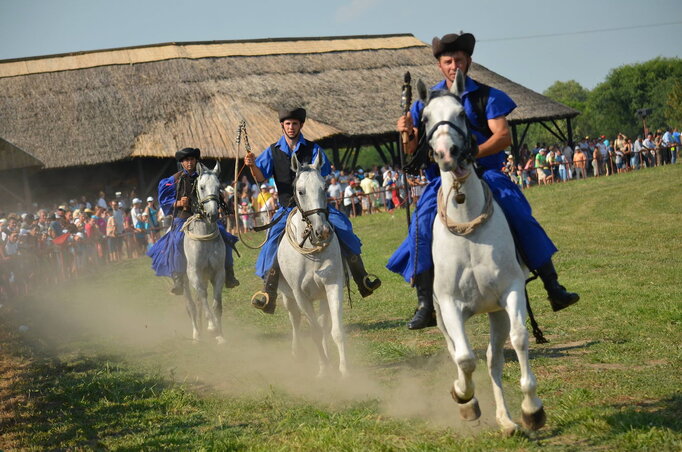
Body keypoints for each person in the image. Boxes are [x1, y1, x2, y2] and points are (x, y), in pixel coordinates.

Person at [391, 32, 579, 330]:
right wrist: (406, 132)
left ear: (469, 62)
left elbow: (502, 136)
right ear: (440, 65)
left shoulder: (486, 96)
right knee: (420, 224)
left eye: (459, 60)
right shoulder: (427, 102)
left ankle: (552, 285)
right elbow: (412, 149)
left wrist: (471, 152)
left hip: (485, 172)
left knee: (517, 212)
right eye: (448, 61)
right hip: (442, 179)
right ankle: (426, 302)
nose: (454, 66)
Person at [243, 107, 381, 314]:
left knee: (343, 226)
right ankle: (268, 291)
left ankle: (361, 277)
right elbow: (260, 177)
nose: (291, 127)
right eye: (288, 124)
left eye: (295, 124)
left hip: (316, 206)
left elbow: (323, 172)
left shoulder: (314, 148)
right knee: (272, 240)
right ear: (282, 126)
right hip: (287, 207)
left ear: (300, 125)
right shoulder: (272, 151)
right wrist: (252, 165)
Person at [147, 147, 239, 294]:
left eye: (191, 159)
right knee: (176, 240)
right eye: (186, 160)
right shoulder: (173, 180)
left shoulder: (205, 176)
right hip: (183, 219)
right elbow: (163, 202)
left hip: (203, 217)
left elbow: (213, 193)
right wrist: (178, 203)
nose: (189, 162)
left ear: (196, 160)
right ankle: (178, 277)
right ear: (182, 163)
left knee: (224, 235)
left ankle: (229, 272)